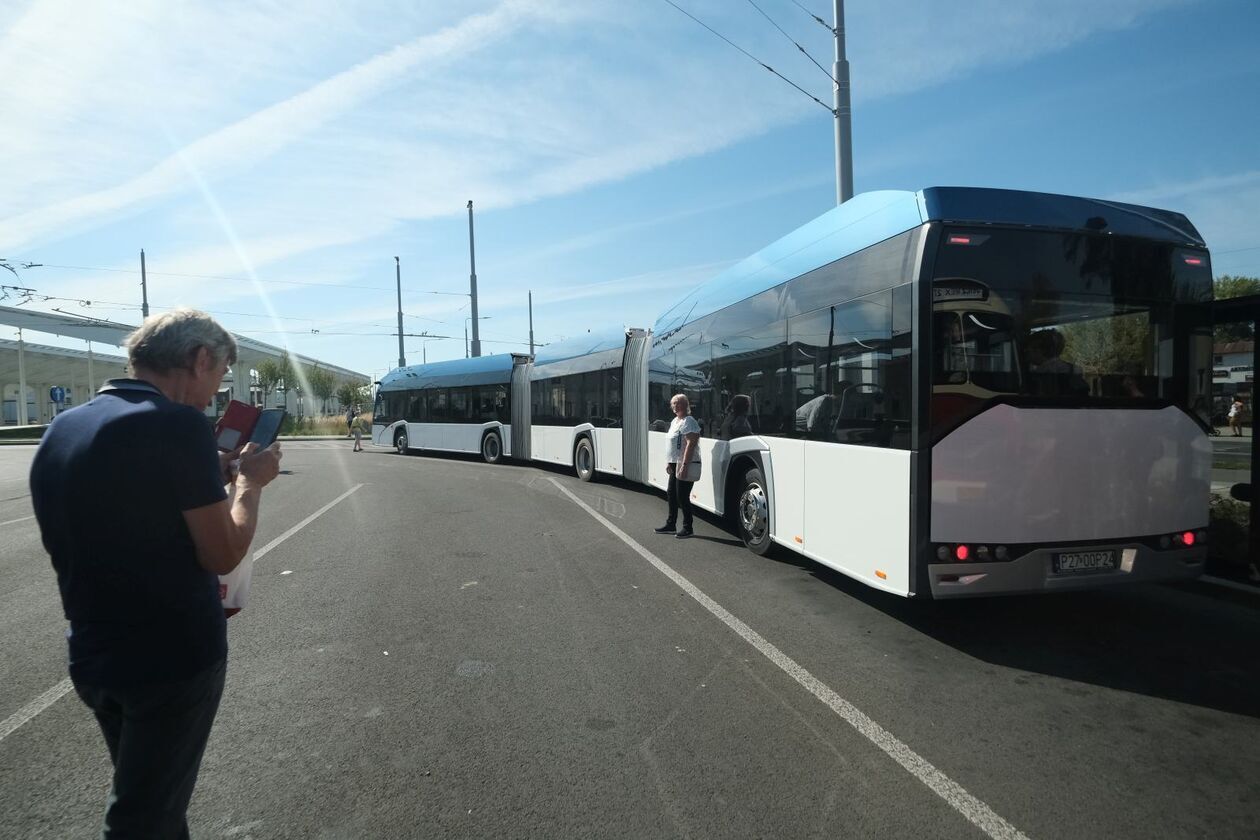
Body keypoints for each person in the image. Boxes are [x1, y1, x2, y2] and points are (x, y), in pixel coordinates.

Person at [29, 309, 282, 839]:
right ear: (199, 358)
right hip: (169, 661)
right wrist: (249, 485)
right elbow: (222, 553)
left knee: (152, 797)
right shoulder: (176, 424)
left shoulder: (64, 427)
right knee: (143, 819)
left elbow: (120, 513)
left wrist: (201, 477)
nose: (215, 396)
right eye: (217, 378)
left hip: (95, 655)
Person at [655, 393, 701, 539]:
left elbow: (691, 443)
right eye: (673, 404)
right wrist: (669, 462)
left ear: (686, 405)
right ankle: (671, 524)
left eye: (679, 403)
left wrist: (684, 466)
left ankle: (688, 528)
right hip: (675, 464)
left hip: (684, 463)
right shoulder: (675, 421)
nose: (675, 406)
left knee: (682, 496)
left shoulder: (689, 421)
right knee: (671, 494)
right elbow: (673, 444)